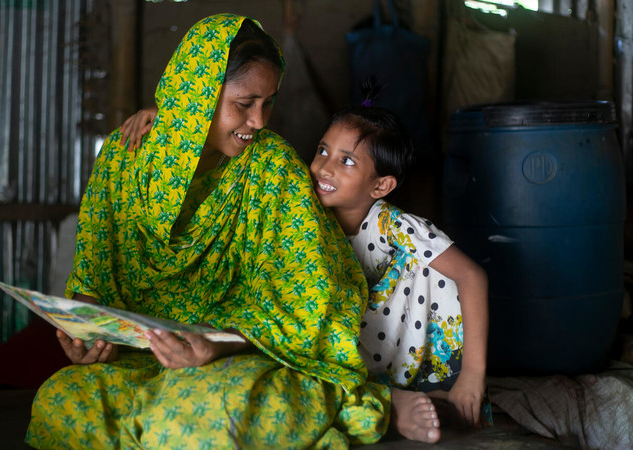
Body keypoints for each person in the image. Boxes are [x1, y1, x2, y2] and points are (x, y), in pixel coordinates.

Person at [26, 14, 440, 449]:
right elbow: (91, 278)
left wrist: (215, 343)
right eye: (244, 104)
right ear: (197, 96)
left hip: (240, 355)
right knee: (60, 403)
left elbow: (311, 290)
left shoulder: (271, 168)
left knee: (186, 426)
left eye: (268, 103)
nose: (259, 121)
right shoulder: (122, 156)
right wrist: (84, 337)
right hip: (140, 359)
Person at [308, 79, 491, 428]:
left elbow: (472, 276)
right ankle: (381, 399)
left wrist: (473, 375)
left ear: (380, 186)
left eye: (346, 160)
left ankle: (433, 390)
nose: (324, 167)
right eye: (322, 150)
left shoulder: (395, 226)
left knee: (429, 264)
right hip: (364, 342)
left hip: (416, 344)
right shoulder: (310, 216)